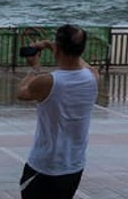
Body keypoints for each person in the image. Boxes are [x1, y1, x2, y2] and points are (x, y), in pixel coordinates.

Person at [16, 24, 99, 199]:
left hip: (44, 167)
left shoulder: (47, 82)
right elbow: (80, 62)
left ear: (59, 48)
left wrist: (34, 68)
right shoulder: (92, 77)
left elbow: (21, 92)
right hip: (74, 166)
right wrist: (50, 44)